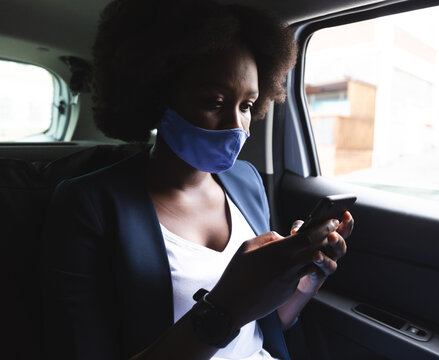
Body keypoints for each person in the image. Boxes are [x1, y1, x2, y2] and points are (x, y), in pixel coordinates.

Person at [41, 1, 354, 359]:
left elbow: (259, 329)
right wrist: (226, 308)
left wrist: (304, 283)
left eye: (247, 105)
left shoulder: (247, 180)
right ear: (157, 96)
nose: (237, 126)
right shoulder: (87, 204)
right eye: (214, 102)